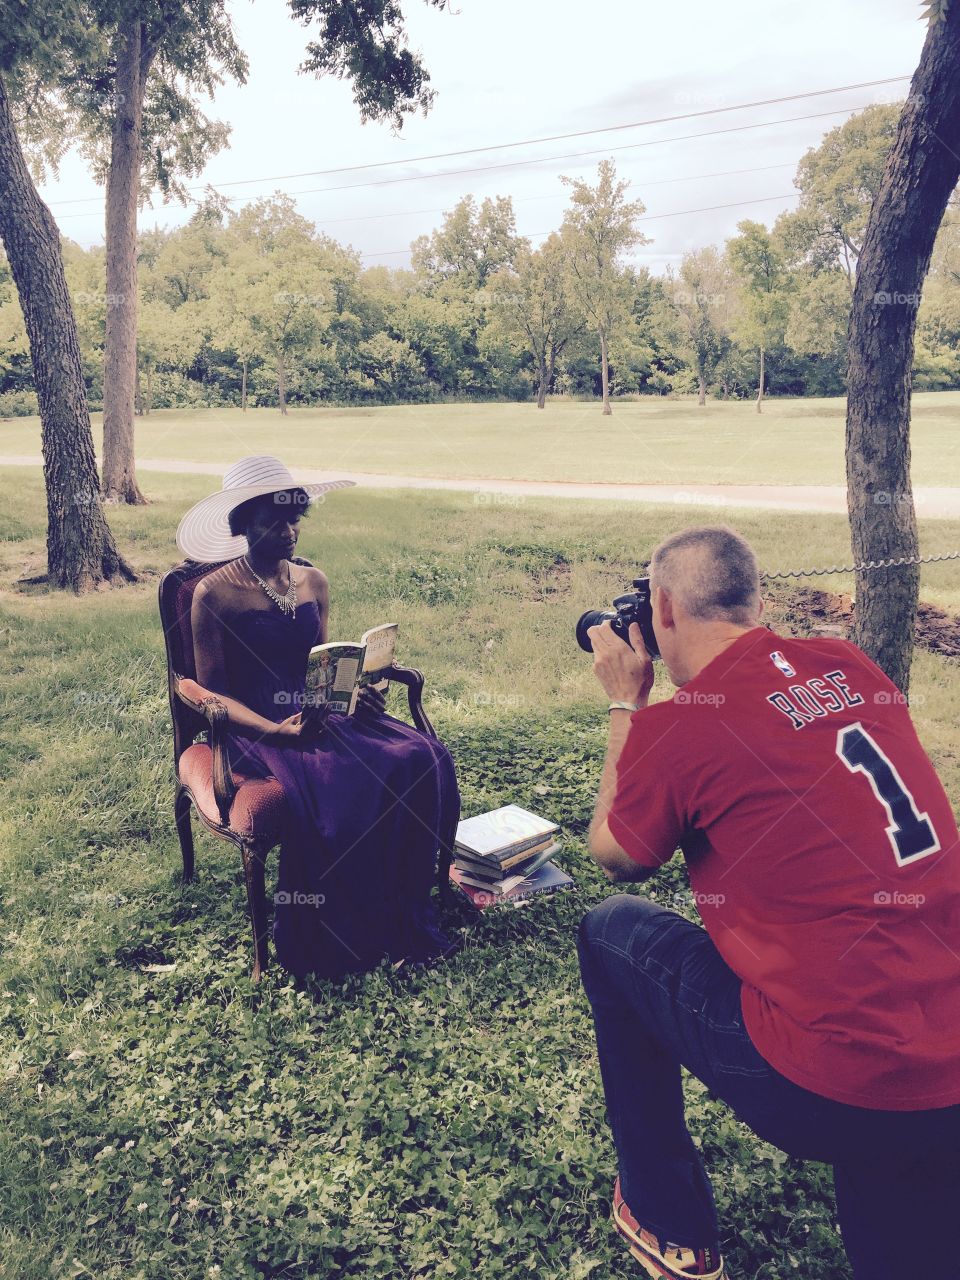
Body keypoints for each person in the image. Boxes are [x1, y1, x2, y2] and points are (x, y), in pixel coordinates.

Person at [578, 524, 960, 1280]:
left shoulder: (686, 725)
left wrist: (627, 704)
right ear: (755, 601)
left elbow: (615, 854)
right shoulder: (849, 663)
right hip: (945, 1054)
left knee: (610, 932)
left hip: (827, 1080)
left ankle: (667, 1220)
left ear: (662, 607)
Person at [176, 455, 459, 978]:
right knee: (345, 786)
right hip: (255, 728)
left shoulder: (313, 581)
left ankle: (403, 907)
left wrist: (354, 694)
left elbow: (324, 663)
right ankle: (342, 933)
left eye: (293, 518)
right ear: (243, 524)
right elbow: (211, 693)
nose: (288, 531)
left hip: (319, 714)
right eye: (272, 521)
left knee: (421, 756)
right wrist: (273, 730)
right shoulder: (211, 595)